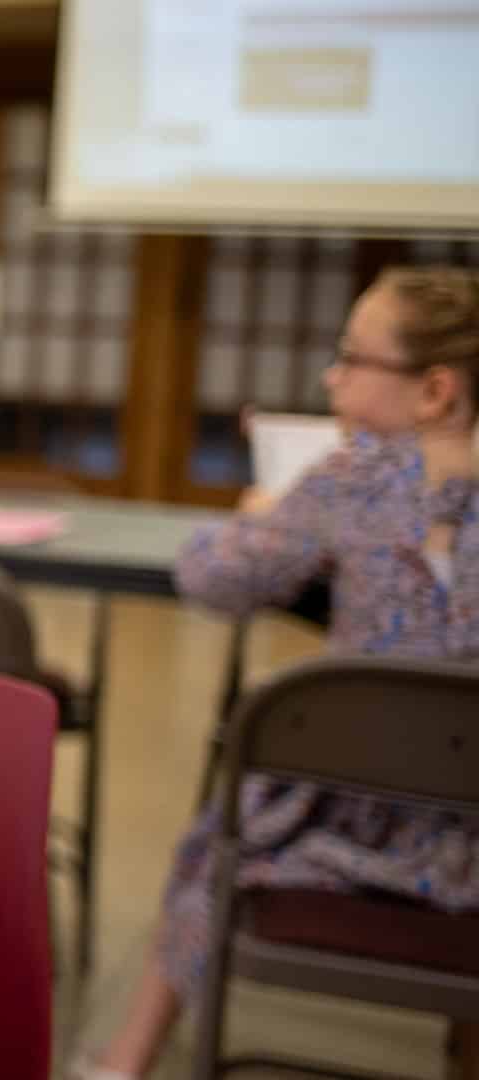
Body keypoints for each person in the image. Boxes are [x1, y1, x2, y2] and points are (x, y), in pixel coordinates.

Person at [84, 266, 479, 1079]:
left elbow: (214, 582)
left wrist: (259, 515)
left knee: (212, 836)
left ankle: (125, 1062)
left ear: (436, 390)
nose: (333, 377)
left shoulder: (355, 479)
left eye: (352, 358)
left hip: (348, 832)